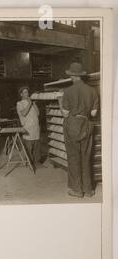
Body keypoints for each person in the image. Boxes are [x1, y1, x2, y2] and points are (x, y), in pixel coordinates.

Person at [59, 62, 99, 198]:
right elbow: (93, 113)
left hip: (72, 125)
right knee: (86, 157)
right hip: (87, 125)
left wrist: (60, 102)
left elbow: (65, 113)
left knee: (74, 157)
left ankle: (77, 190)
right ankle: (88, 190)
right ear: (81, 75)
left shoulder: (67, 91)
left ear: (72, 76)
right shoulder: (92, 91)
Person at [16, 86, 41, 166]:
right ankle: (29, 162)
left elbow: (38, 113)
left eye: (27, 92)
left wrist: (33, 104)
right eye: (25, 92)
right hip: (28, 128)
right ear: (21, 94)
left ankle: (37, 162)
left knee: (36, 145)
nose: (27, 94)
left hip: (35, 127)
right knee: (29, 146)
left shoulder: (32, 103)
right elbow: (24, 113)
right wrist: (30, 103)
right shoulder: (19, 103)